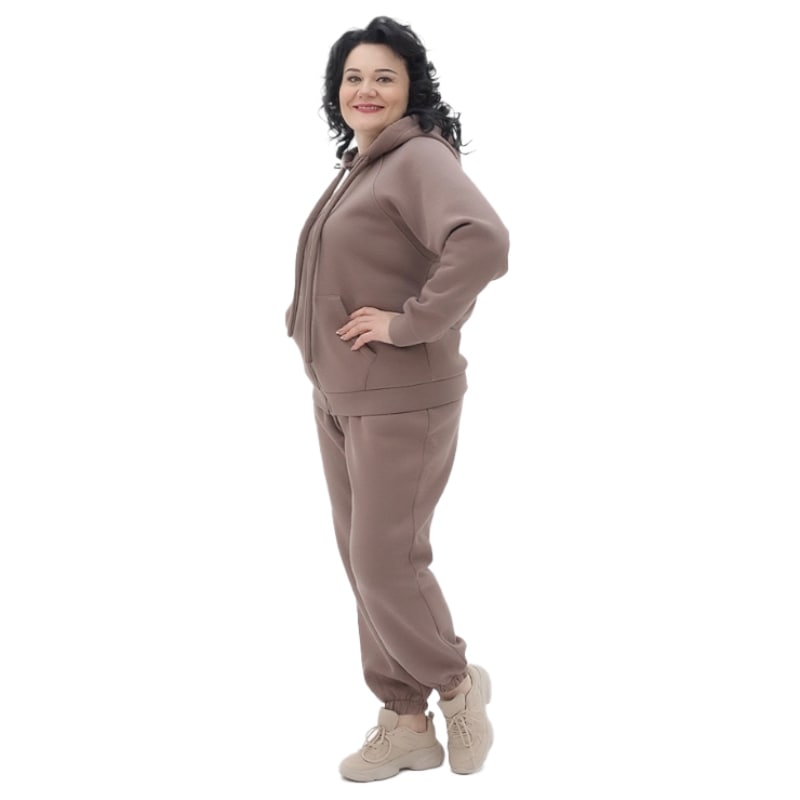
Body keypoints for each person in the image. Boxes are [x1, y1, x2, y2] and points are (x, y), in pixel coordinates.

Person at [285, 16, 509, 782]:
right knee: (364, 564)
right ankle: (404, 720)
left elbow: (483, 240)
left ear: (412, 87)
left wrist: (410, 323)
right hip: (343, 392)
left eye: (384, 76)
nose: (366, 90)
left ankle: (457, 684)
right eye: (352, 77)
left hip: (400, 395)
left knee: (385, 562)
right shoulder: (362, 165)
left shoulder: (416, 158)